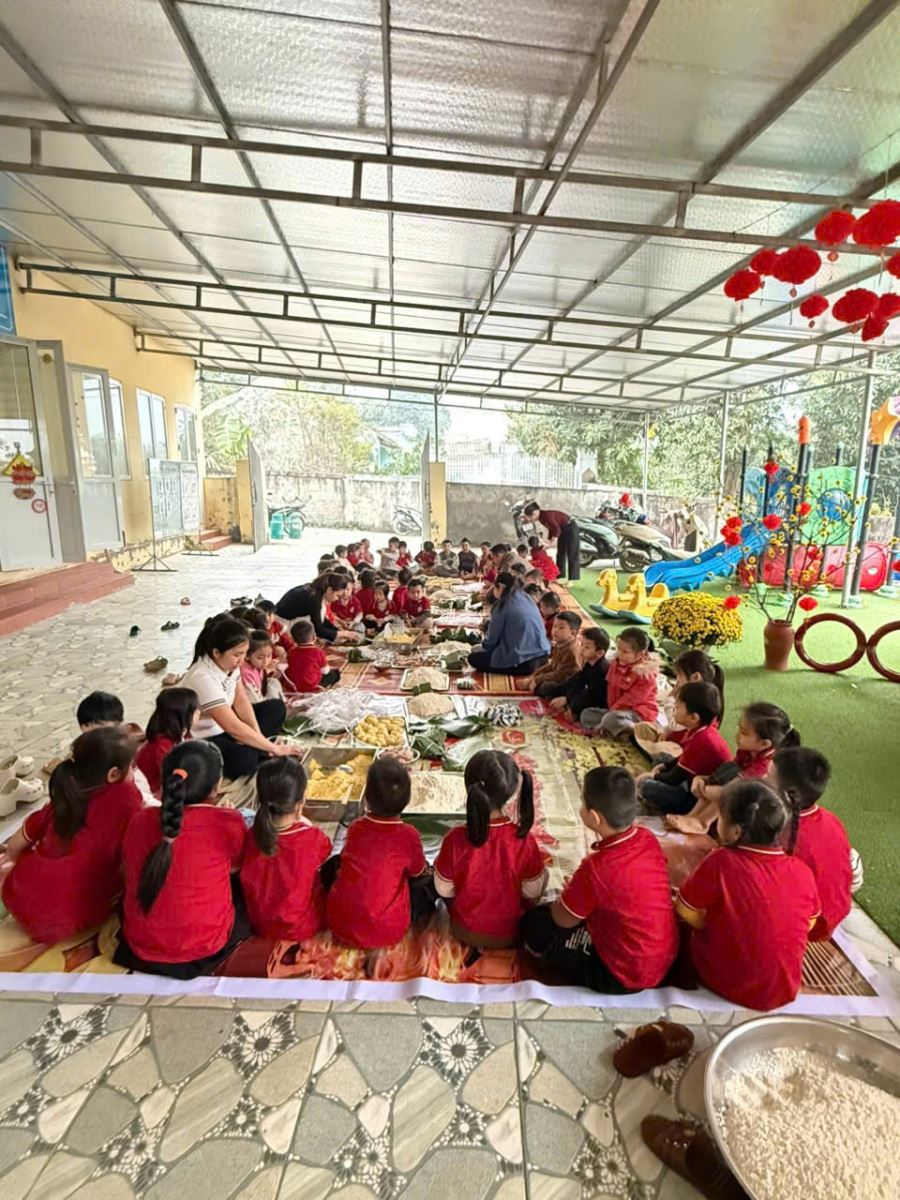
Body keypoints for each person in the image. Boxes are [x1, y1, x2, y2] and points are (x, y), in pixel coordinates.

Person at [522, 767, 677, 993]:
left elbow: (562, 919)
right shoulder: (647, 838)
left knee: (536, 923)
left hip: (623, 974)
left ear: (594, 818)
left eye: (582, 803)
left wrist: (572, 896)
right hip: (664, 959)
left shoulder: (596, 869)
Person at [676, 779, 820, 1010]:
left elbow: (685, 909)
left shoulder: (721, 861)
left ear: (735, 831)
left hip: (727, 982)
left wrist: (717, 925)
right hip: (783, 988)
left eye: (720, 817)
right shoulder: (802, 870)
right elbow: (810, 922)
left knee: (675, 927)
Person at [117, 741, 248, 978]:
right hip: (204, 947)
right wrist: (228, 816)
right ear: (217, 787)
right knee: (244, 889)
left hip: (141, 944)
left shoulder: (139, 819)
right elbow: (237, 866)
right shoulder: (227, 821)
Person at [1, 727, 142, 943]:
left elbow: (20, 839)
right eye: (132, 766)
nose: (134, 771)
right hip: (71, 916)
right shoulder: (129, 797)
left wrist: (12, 859)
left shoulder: (67, 791)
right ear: (113, 774)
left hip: (20, 895)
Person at [434, 750, 546, 948]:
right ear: (512, 792)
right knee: (542, 876)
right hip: (509, 935)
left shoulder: (454, 838)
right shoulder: (525, 841)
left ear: (469, 789)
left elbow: (443, 889)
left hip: (462, 931)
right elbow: (532, 892)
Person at [325, 758, 433, 949]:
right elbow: (417, 872)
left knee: (334, 865)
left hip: (340, 923)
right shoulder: (408, 835)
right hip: (387, 931)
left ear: (366, 798)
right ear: (408, 800)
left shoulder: (355, 828)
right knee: (425, 885)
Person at [179, 615, 299, 779]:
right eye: (237, 655)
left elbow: (241, 702)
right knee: (244, 759)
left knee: (276, 708)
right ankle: (256, 749)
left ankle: (256, 746)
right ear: (216, 653)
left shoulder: (230, 665)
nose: (241, 661)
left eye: (244, 654)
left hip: (226, 727)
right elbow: (233, 727)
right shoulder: (202, 677)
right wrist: (273, 748)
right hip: (205, 736)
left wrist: (258, 735)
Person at [668, 701, 799, 835]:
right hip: (730, 795)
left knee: (732, 785)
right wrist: (702, 779)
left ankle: (703, 822)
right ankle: (693, 816)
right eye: (739, 729)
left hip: (754, 814)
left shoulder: (764, 766)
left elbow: (732, 793)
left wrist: (703, 788)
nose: (737, 735)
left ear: (764, 744)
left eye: (744, 733)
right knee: (729, 771)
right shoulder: (747, 752)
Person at [240, 758, 331, 942]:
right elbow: (326, 851)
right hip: (302, 928)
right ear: (301, 801)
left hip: (260, 925)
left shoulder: (250, 836)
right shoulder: (312, 837)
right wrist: (306, 824)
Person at [773, 747, 853, 941]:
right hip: (831, 913)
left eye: (767, 777)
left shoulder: (785, 835)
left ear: (788, 794)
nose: (760, 779)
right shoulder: (829, 818)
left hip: (813, 925)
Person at [638, 682, 731, 815]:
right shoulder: (701, 730)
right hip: (688, 780)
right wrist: (664, 766)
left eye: (677, 707)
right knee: (663, 758)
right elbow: (682, 759)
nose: (674, 709)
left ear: (694, 717)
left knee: (646, 786)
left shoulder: (702, 740)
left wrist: (652, 775)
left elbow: (674, 778)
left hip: (696, 799)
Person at [580, 627, 659, 737]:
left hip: (637, 714)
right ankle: (613, 730)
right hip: (615, 711)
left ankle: (639, 732)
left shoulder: (645, 675)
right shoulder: (615, 664)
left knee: (611, 719)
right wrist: (610, 711)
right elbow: (610, 690)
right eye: (618, 649)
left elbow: (629, 700)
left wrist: (611, 713)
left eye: (625, 652)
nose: (620, 654)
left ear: (640, 654)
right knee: (586, 714)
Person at [467, 573, 550, 676]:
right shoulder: (526, 597)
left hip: (524, 662)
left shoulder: (503, 605)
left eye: (494, 587)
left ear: (500, 586)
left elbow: (491, 641)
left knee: (473, 657)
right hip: (543, 656)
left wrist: (483, 647)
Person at [136, 687, 199, 798]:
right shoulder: (162, 746)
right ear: (184, 715)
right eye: (195, 710)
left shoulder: (181, 734)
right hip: (154, 793)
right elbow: (172, 781)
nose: (199, 712)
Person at [547, 627, 611, 721]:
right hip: (585, 695)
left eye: (587, 647)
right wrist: (564, 694)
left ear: (600, 653)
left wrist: (569, 703)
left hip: (597, 704)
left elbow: (592, 696)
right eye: (582, 644)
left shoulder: (601, 670)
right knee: (552, 688)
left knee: (584, 713)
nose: (582, 649)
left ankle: (573, 713)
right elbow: (578, 680)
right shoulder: (589, 663)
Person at [275, 573, 359, 645]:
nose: (337, 599)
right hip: (283, 624)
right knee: (314, 631)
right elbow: (319, 629)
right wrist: (342, 634)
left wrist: (338, 631)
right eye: (337, 596)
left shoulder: (315, 591)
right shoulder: (314, 598)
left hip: (287, 619)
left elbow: (321, 619)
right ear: (329, 590)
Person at [523, 502, 581, 582]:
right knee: (560, 553)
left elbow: (556, 530)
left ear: (534, 513)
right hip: (562, 530)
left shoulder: (546, 516)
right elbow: (551, 528)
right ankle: (560, 576)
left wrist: (550, 543)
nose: (530, 520)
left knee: (572, 553)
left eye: (530, 517)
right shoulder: (541, 518)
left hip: (571, 528)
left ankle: (573, 579)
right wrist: (548, 541)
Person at [529, 611, 582, 696]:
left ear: (573, 633)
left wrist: (537, 680)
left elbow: (560, 675)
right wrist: (535, 675)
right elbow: (552, 665)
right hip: (559, 674)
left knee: (545, 687)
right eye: (554, 626)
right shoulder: (560, 643)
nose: (555, 630)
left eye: (561, 628)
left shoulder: (571, 651)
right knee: (538, 674)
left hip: (569, 682)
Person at [285, 620, 340, 692]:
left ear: (293, 640)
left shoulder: (291, 652)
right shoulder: (318, 652)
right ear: (314, 637)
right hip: (312, 685)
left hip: (295, 684)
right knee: (335, 674)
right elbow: (325, 671)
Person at [240, 630, 284, 704]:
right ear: (247, 656)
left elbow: (261, 678)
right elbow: (254, 699)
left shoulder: (256, 665)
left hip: (260, 695)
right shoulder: (245, 672)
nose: (266, 661)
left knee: (273, 682)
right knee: (272, 687)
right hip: (256, 703)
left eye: (269, 655)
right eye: (260, 658)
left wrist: (268, 670)